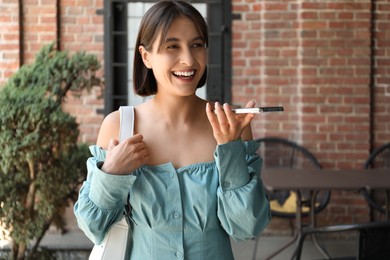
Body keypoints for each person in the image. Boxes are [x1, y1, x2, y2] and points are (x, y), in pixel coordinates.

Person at [74, 1, 271, 259]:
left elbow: (247, 228)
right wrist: (111, 174)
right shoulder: (118, 127)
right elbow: (93, 228)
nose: (189, 59)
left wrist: (230, 150)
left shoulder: (231, 127)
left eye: (197, 45)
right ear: (146, 56)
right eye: (172, 46)